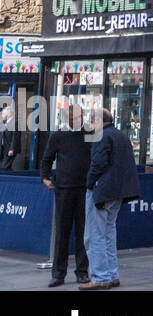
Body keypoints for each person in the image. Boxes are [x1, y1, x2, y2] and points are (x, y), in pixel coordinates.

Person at [82, 108, 141, 289]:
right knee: (108, 233)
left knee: (94, 236)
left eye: (91, 120)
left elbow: (98, 164)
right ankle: (111, 274)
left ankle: (100, 277)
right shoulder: (121, 135)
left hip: (102, 191)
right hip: (117, 192)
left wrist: (89, 183)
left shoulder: (101, 136)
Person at [40, 103, 91, 287]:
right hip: (63, 189)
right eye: (74, 119)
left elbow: (96, 158)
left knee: (83, 233)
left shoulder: (89, 135)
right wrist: (44, 178)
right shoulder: (58, 136)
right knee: (62, 232)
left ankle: (82, 272)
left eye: (80, 118)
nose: (78, 121)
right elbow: (47, 159)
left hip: (85, 189)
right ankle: (59, 274)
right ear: (67, 119)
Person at [0, 102, 19, 170]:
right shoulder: (4, 123)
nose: (2, 115)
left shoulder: (15, 123)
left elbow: (15, 137)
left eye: (3, 114)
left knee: (4, 167)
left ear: (7, 114)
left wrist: (12, 149)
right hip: (3, 148)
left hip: (9, 149)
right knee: (6, 166)